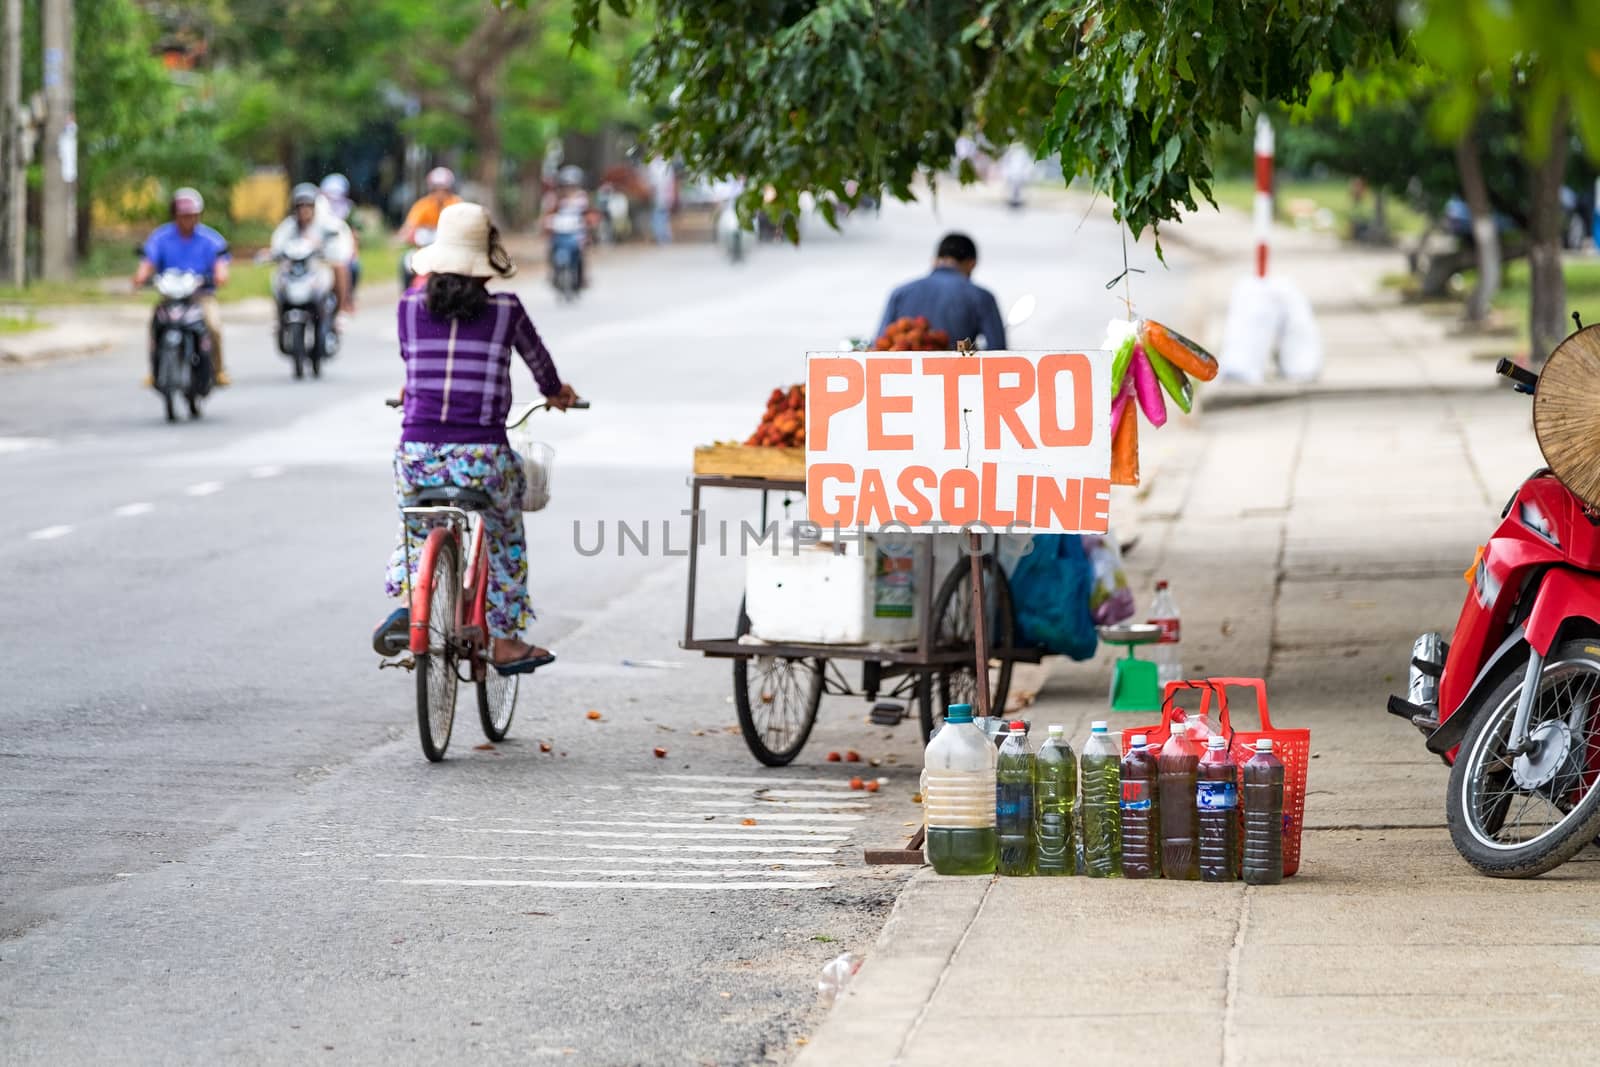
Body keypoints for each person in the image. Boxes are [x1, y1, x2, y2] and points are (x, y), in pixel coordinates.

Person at [376, 202, 580, 674]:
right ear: (487, 259)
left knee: (414, 523)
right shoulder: (505, 310)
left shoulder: (408, 307)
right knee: (506, 535)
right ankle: (506, 641)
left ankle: (412, 598)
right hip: (483, 457)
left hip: (417, 454)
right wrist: (557, 394)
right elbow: (542, 370)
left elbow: (416, 367)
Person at [133, 187, 231, 386]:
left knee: (213, 326)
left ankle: (218, 370)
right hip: (171, 297)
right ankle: (155, 371)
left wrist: (219, 275)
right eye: (183, 216)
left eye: (192, 216)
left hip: (200, 296)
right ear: (175, 216)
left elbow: (221, 263)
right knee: (155, 325)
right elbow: (148, 261)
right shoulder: (161, 237)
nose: (188, 220)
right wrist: (141, 276)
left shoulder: (210, 238)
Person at [876, 232, 1007, 349]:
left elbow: (879, 345)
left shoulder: (900, 293)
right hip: (956, 374)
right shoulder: (981, 297)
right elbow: (997, 350)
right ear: (972, 264)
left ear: (934, 260)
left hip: (904, 374)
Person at [271, 183, 355, 312]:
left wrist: (325, 250)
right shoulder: (289, 226)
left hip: (318, 269)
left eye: (307, 205)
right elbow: (277, 245)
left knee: (339, 267)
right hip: (296, 270)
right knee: (279, 279)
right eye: (300, 206)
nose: (304, 210)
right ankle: (280, 320)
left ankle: (339, 310)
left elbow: (338, 242)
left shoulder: (325, 225)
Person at [543, 165, 590, 290]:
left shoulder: (582, 198)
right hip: (559, 232)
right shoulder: (555, 199)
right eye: (567, 185)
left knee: (582, 253)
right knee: (550, 249)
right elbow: (548, 214)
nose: (569, 188)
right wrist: (547, 223)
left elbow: (588, 214)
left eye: (572, 185)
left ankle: (582, 277)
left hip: (576, 232)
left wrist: (589, 222)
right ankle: (552, 272)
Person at [319, 173, 361, 300]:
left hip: (341, 251)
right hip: (320, 252)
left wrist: (354, 252)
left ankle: (346, 301)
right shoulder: (317, 209)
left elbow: (354, 233)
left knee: (352, 267)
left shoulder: (349, 209)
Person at [397, 166, 461, 245]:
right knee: (421, 234)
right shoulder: (424, 204)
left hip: (451, 241)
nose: (440, 193)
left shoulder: (457, 204)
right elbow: (409, 226)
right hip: (429, 240)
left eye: (444, 190)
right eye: (436, 189)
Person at [647, 157, 675, 244]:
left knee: (661, 217)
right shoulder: (652, 165)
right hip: (655, 196)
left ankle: (663, 238)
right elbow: (650, 181)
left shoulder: (666, 165)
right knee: (659, 217)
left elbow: (670, 182)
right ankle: (662, 237)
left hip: (664, 195)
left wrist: (671, 195)